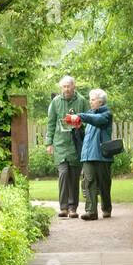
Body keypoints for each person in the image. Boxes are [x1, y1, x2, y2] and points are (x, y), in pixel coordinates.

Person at [67, 88, 113, 220]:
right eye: (90, 99)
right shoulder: (89, 114)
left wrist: (81, 116)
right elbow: (86, 124)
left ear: (100, 102)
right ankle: (91, 212)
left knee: (104, 184)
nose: (90, 102)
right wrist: (75, 123)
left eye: (92, 99)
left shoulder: (106, 115)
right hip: (88, 155)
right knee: (89, 183)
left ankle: (106, 208)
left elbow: (95, 119)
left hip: (102, 156)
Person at [45, 75, 85, 217]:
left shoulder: (81, 101)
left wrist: (81, 123)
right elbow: (50, 123)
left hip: (76, 143)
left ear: (74, 87)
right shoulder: (55, 102)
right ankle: (63, 207)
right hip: (60, 143)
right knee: (63, 173)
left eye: (69, 86)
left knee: (74, 175)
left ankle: (73, 208)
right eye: (64, 87)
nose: (66, 89)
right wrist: (49, 143)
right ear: (61, 88)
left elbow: (87, 119)